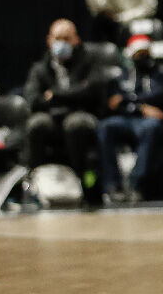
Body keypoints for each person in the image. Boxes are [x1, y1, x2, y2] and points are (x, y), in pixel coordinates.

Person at [21, 19, 104, 180]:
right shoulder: (39, 68)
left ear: (76, 39)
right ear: (49, 40)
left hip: (81, 113)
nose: (62, 43)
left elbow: (92, 92)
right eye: (58, 38)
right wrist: (73, 95)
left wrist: (54, 95)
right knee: (36, 123)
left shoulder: (89, 62)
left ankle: (81, 180)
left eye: (66, 38)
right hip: (50, 116)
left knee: (76, 123)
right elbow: (33, 100)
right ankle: (35, 180)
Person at [96, 35, 163, 204]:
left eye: (146, 52)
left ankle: (136, 185)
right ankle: (112, 187)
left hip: (148, 122)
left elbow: (162, 96)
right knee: (105, 127)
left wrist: (128, 100)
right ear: (131, 55)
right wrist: (140, 106)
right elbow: (113, 102)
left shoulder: (161, 76)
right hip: (125, 120)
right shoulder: (120, 77)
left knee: (151, 127)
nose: (143, 57)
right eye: (139, 53)